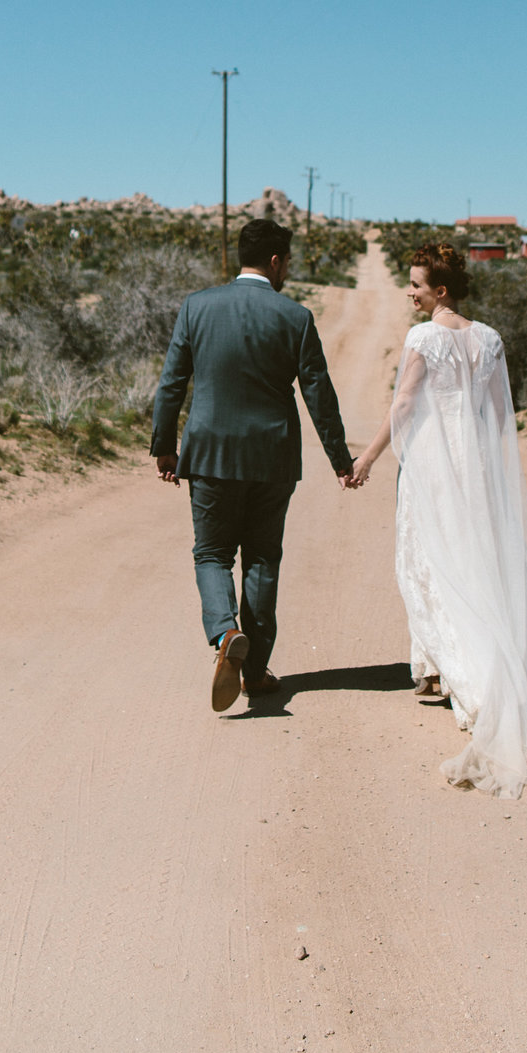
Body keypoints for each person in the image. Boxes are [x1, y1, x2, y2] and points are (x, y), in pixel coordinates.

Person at [349, 241, 527, 799]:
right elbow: (500, 416)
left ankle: (464, 676)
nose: (410, 291)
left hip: (433, 460)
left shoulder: (424, 337)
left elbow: (405, 405)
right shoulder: (490, 339)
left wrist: (367, 458)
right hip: (475, 461)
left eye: (417, 284)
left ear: (440, 290)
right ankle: (446, 666)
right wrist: (490, 472)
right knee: (479, 556)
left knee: (431, 557)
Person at [151, 218, 358, 712]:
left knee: (213, 554)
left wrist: (164, 445)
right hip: (272, 459)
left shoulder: (196, 307)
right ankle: (255, 670)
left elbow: (171, 383)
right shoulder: (296, 317)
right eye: (287, 261)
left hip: (209, 456)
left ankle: (224, 632)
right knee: (263, 558)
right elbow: (319, 396)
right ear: (275, 261)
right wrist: (340, 459)